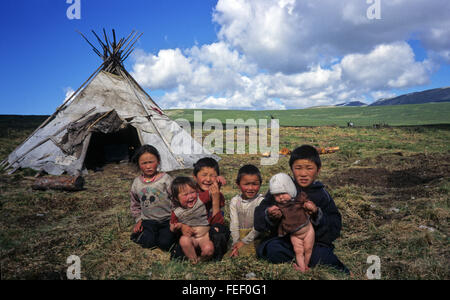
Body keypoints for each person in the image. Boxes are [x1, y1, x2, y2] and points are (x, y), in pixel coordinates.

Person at [254, 145, 350, 274]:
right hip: (285, 241)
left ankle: (304, 263)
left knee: (321, 256)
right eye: (298, 168)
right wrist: (270, 214)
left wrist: (316, 213)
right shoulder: (280, 189)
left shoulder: (322, 194)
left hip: (313, 243)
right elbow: (260, 216)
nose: (303, 174)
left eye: (309, 168)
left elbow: (335, 226)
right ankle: (298, 265)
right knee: (273, 249)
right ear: (291, 169)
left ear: (318, 170)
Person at [170, 157, 230, 261]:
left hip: (206, 235)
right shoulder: (190, 192)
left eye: (212, 176)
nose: (208, 179)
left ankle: (208, 256)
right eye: (204, 175)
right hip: (189, 234)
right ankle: (190, 256)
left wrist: (216, 198)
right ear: (195, 177)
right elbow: (175, 218)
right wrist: (182, 226)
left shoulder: (214, 195)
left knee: (218, 232)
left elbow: (218, 224)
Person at [129, 145, 176, 251]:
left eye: (151, 162)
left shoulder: (165, 179)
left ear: (158, 161)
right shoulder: (137, 183)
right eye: (144, 163)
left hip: (167, 220)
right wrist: (138, 219)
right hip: (148, 221)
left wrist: (175, 218)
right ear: (139, 164)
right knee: (148, 243)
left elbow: (175, 199)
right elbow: (135, 203)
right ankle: (144, 235)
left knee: (165, 244)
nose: (148, 166)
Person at [269, 173, 315, 272]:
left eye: (283, 193)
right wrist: (271, 211)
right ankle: (302, 268)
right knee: (298, 251)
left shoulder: (299, 198)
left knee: (308, 249)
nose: (281, 197)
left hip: (307, 230)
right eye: (277, 195)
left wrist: (310, 205)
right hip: (294, 234)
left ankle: (306, 265)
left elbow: (308, 202)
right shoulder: (279, 207)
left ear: (291, 190)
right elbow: (274, 215)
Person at [169, 177, 214, 264]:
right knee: (183, 240)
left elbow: (211, 192)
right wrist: (178, 226)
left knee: (208, 250)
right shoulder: (176, 212)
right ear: (176, 198)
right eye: (185, 195)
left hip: (204, 236)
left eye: (192, 192)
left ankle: (202, 259)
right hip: (191, 238)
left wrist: (217, 181)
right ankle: (193, 260)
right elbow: (172, 226)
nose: (190, 197)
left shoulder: (200, 198)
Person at [228, 164, 264, 258]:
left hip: (255, 237)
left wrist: (244, 242)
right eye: (246, 184)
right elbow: (234, 224)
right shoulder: (235, 201)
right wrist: (236, 242)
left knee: (246, 253)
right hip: (239, 237)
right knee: (233, 253)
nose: (251, 188)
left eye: (254, 184)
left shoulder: (261, 201)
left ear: (260, 183)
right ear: (238, 184)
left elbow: (258, 227)